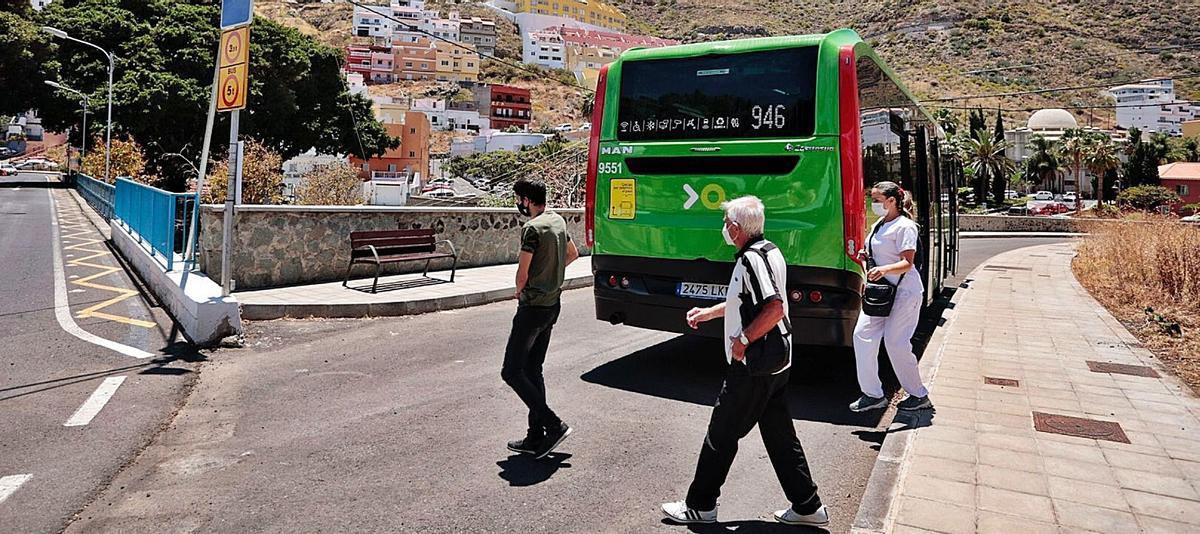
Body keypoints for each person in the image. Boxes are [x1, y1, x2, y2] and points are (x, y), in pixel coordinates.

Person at [661, 196, 828, 528]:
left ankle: (700, 505)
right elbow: (747, 301)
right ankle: (808, 506)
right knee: (780, 436)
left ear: (736, 228)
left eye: (726, 223)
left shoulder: (751, 260)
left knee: (721, 433)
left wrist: (743, 340)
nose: (724, 228)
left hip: (756, 362)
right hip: (777, 360)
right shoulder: (771, 251)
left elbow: (774, 307)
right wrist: (710, 312)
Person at [502, 179, 580, 459]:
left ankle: (553, 425)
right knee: (534, 369)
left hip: (533, 306)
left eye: (519, 199)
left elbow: (522, 272)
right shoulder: (557, 221)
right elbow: (573, 254)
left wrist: (520, 289)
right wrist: (551, 273)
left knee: (511, 371)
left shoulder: (532, 228)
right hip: (552, 305)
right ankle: (535, 437)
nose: (519, 204)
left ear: (526, 199)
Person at [848, 181, 933, 413]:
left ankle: (918, 394)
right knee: (862, 335)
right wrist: (863, 261)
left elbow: (908, 262)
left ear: (892, 201)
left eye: (876, 200)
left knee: (896, 343)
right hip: (880, 294)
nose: (872, 204)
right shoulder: (878, 225)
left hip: (905, 293)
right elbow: (871, 256)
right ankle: (872, 394)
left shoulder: (905, 227)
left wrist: (884, 270)